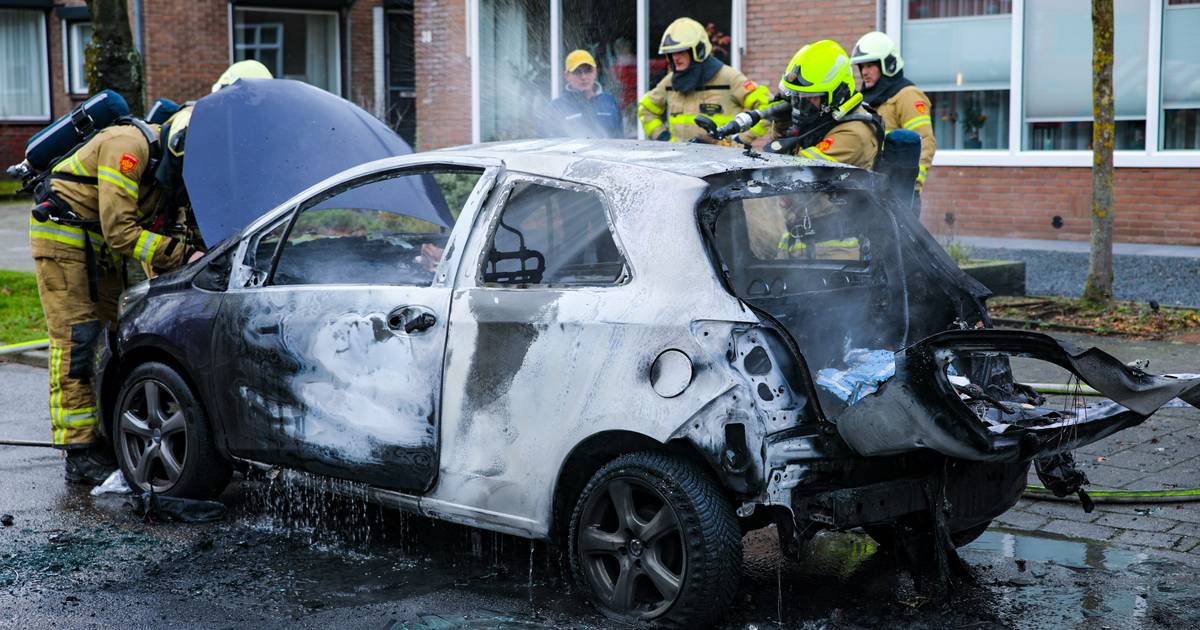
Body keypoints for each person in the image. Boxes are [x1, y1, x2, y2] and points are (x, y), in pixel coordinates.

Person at [30, 118, 202, 483]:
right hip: (63, 234)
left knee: (113, 336)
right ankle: (79, 450)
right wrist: (182, 255)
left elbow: (159, 228)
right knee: (77, 338)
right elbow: (122, 232)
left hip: (98, 244)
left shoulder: (167, 168)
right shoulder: (127, 148)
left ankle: (107, 432)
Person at [637, 17, 770, 144]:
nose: (675, 58)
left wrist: (741, 139)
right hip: (680, 162)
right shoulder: (670, 82)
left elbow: (768, 106)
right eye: (671, 53)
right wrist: (664, 138)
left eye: (681, 52)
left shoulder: (728, 77)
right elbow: (646, 109)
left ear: (699, 50)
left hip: (723, 162)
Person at [851, 31, 936, 213]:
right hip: (873, 190)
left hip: (900, 192)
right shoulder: (864, 99)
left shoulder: (907, 95)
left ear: (888, 64)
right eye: (862, 67)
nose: (864, 72)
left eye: (870, 65)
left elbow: (924, 142)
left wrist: (910, 185)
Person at [766, 40, 883, 170]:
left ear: (838, 95)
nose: (800, 104)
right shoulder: (823, 118)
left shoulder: (853, 134)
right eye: (797, 96)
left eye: (811, 97)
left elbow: (793, 171)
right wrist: (782, 124)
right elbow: (780, 153)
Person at [538, 50, 623, 139]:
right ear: (567, 75)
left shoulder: (609, 102)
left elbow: (620, 140)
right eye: (577, 72)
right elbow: (545, 145)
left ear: (595, 72)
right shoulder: (556, 108)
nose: (583, 77)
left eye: (588, 70)